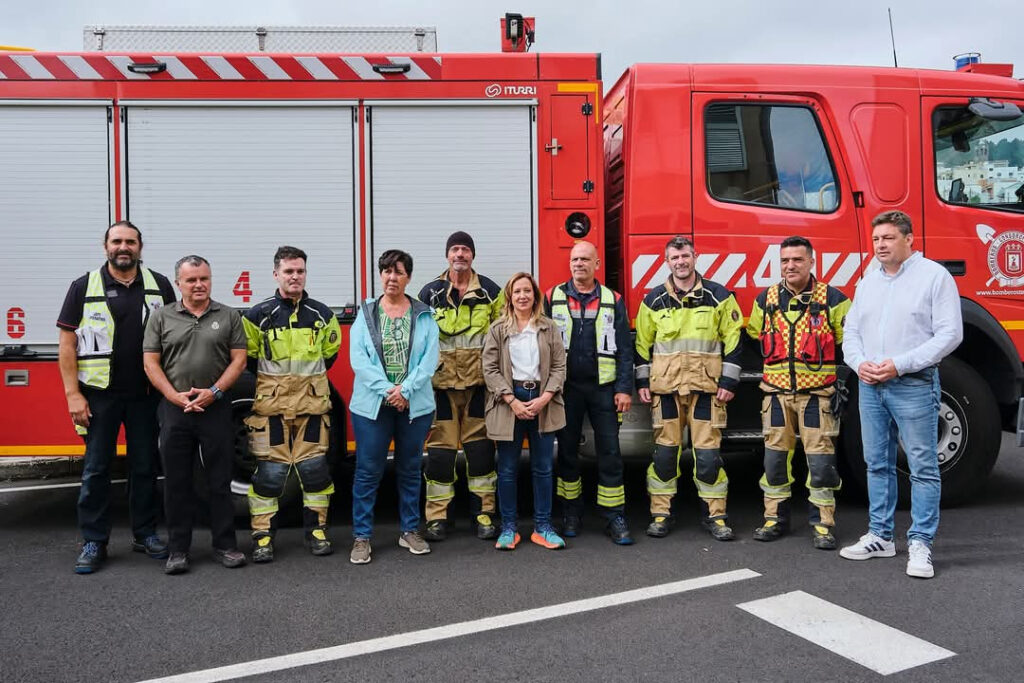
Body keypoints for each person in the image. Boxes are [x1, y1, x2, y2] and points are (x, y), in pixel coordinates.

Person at [840, 210, 963, 579]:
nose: (880, 245)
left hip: (913, 384)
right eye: (876, 239)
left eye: (889, 238)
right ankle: (880, 536)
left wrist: (900, 364)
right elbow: (852, 330)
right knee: (876, 463)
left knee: (922, 467)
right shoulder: (868, 280)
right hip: (870, 384)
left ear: (909, 239)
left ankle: (921, 543)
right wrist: (858, 363)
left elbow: (950, 334)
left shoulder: (934, 278)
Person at [57, 221, 176, 574]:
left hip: (145, 396)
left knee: (144, 467)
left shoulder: (159, 285)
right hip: (99, 397)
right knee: (96, 469)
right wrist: (73, 395)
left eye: (130, 241)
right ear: (105, 245)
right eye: (117, 241)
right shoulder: (83, 286)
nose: (123, 247)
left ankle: (145, 534)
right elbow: (67, 345)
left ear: (140, 246)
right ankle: (94, 541)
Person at [143, 255, 248, 574]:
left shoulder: (229, 315)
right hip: (175, 410)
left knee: (220, 480)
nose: (199, 284)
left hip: (215, 408)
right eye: (191, 280)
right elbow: (150, 362)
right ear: (178, 284)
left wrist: (214, 392)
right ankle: (178, 550)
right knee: (177, 482)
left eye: (204, 278)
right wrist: (173, 396)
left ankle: (226, 546)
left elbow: (239, 360)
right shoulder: (161, 318)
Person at [634, 236, 743, 541]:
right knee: (665, 457)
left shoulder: (719, 296)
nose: (680, 262)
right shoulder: (653, 300)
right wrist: (643, 382)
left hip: (707, 391)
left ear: (695, 257)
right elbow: (642, 344)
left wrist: (729, 381)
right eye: (674, 258)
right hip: (666, 391)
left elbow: (734, 340)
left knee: (708, 458)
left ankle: (716, 516)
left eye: (685, 256)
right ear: (666, 261)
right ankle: (660, 514)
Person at [746, 236, 851, 550]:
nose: (790, 266)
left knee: (820, 465)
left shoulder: (833, 299)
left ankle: (823, 525)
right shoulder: (765, 300)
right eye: (785, 260)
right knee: (774, 462)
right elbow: (755, 335)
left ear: (811, 262)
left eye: (797, 260)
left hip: (817, 396)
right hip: (776, 395)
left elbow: (849, 343)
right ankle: (774, 519)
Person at [242, 246, 342, 563]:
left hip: (311, 410)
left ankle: (316, 532)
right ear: (276, 275)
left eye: (299, 271)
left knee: (315, 473)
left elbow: (331, 354)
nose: (294, 276)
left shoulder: (322, 315)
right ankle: (262, 537)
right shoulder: (258, 316)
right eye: (288, 271)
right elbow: (250, 359)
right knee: (269, 476)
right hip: (271, 411)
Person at [348, 250, 439, 565]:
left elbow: (430, 360)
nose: (391, 277)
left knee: (410, 469)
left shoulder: (424, 314)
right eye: (386, 271)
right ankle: (362, 537)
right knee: (368, 470)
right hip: (373, 406)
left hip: (415, 405)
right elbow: (358, 359)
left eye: (398, 272)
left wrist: (407, 390)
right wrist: (389, 391)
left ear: (409, 277)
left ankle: (410, 530)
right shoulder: (367, 312)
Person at [545, 241, 635, 545]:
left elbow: (625, 348)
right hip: (566, 389)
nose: (578, 264)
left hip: (604, 390)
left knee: (610, 453)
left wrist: (624, 388)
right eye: (574, 259)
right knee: (567, 453)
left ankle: (614, 516)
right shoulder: (552, 297)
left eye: (585, 259)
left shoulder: (613, 299)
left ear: (597, 264)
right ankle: (571, 513)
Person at [418, 231, 503, 542]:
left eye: (465, 249)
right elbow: (420, 341)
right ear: (447, 255)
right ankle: (437, 518)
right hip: (440, 388)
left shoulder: (492, 293)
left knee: (480, 454)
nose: (460, 255)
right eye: (455, 249)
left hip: (479, 387)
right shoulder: (429, 294)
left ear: (472, 255)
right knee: (440, 455)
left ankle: (483, 513)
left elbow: (501, 338)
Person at [482, 272, 567, 551]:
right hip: (510, 401)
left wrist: (545, 398)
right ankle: (508, 528)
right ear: (510, 296)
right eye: (517, 291)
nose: (522, 296)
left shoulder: (549, 328)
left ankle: (543, 527)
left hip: (542, 400)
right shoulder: (497, 329)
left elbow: (558, 367)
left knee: (543, 468)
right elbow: (490, 369)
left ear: (535, 296)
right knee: (507, 469)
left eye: (527, 291)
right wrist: (511, 399)